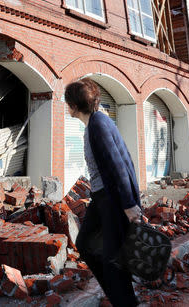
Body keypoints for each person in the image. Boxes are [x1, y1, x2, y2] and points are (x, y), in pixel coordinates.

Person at [65, 77, 142, 307]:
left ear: (75, 105)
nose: (66, 106)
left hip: (113, 200)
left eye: (67, 102)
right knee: (86, 244)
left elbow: (118, 165)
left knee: (112, 260)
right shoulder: (96, 123)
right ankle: (120, 295)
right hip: (101, 198)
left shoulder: (98, 124)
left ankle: (125, 302)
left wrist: (129, 205)